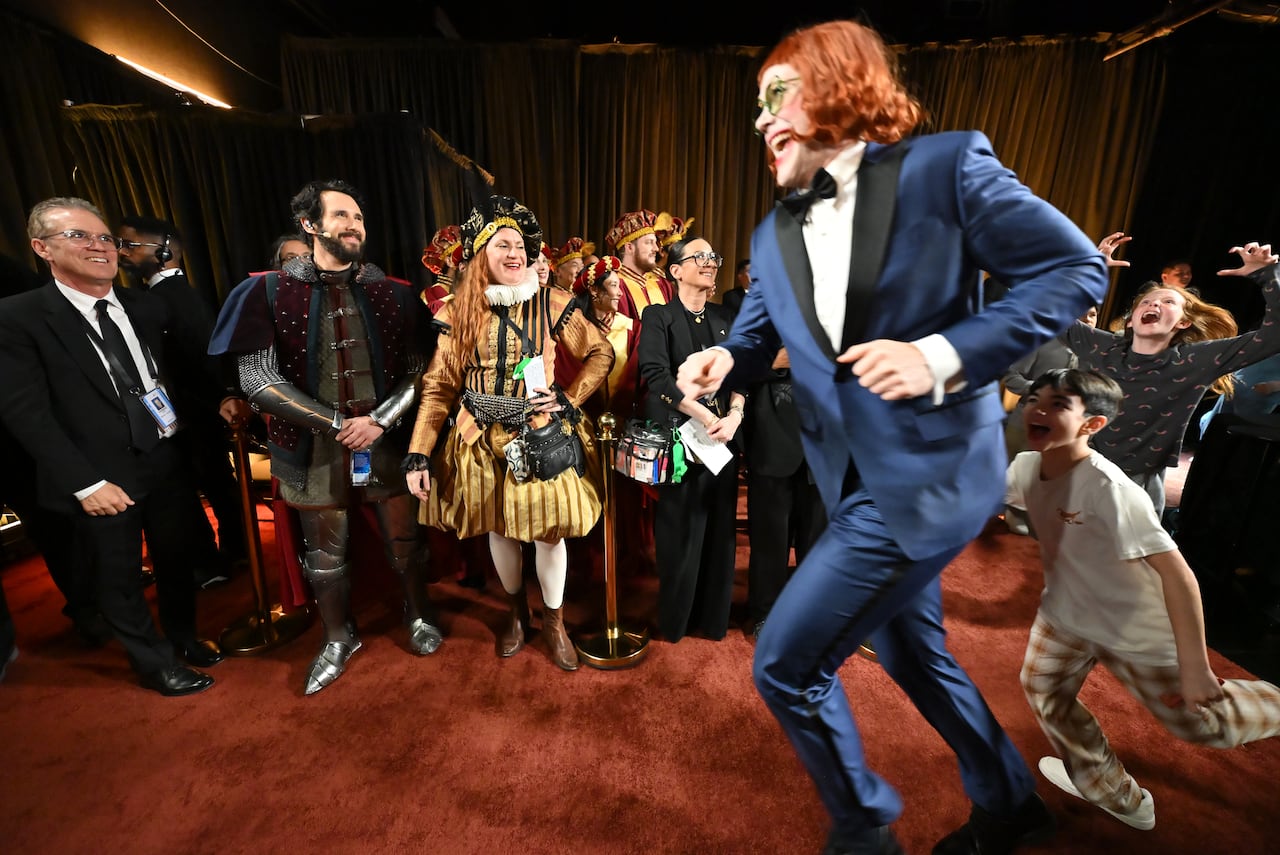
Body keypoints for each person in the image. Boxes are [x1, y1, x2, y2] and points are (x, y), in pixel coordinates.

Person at [675, 20, 1108, 855]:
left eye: (777, 95)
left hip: (934, 474)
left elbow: (1075, 268)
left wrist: (940, 353)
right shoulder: (771, 233)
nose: (761, 118)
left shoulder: (946, 167)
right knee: (913, 654)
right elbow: (756, 336)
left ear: (838, 90)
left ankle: (863, 830)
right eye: (756, 105)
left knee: (786, 664)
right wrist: (722, 358)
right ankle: (1009, 801)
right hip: (851, 481)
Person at [1007, 368, 1280, 831]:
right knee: (1045, 690)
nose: (1038, 410)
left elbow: (1178, 575)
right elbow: (991, 503)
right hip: (1064, 614)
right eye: (1035, 399)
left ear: (1093, 424)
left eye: (1058, 405)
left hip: (1133, 626)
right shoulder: (1023, 467)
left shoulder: (1110, 489)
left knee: (1202, 725)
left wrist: (1195, 666)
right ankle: (1114, 792)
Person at [210, 179, 444, 695]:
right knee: (323, 556)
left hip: (387, 439)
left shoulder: (395, 291)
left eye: (358, 217)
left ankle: (419, 613)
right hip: (311, 446)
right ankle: (338, 636)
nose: (353, 225)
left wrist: (379, 420)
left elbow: (419, 369)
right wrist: (337, 424)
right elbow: (258, 378)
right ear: (310, 224)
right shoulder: (268, 291)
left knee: (406, 542)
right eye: (341, 215)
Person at [0, 197, 227, 696]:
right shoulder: (19, 317)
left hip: (164, 455)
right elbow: (25, 413)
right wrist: (84, 483)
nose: (99, 246)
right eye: (78, 236)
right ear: (42, 248)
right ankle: (153, 663)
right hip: (98, 474)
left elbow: (170, 376)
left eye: (105, 237)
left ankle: (183, 636)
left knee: (177, 557)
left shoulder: (146, 306)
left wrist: (219, 404)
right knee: (118, 576)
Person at [403, 195, 613, 671]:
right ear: (481, 254)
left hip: (540, 434)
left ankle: (554, 623)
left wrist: (568, 398)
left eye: (519, 245)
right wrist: (419, 452)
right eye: (502, 245)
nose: (514, 253)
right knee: (499, 528)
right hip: (477, 437)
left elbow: (600, 352)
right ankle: (517, 613)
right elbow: (439, 385)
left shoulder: (552, 302)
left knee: (549, 533)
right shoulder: (457, 310)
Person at [1072, 236, 1280, 515]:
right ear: (1132, 319)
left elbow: (1274, 336)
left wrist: (1267, 275)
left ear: (1184, 322)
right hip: (1081, 467)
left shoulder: (1195, 360)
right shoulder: (1102, 346)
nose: (1154, 305)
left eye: (1168, 301)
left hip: (1138, 483)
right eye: (1146, 302)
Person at [118, 214, 251, 583]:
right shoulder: (166, 295)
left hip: (194, 414)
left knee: (210, 485)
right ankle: (233, 555)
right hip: (193, 412)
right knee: (216, 484)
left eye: (130, 244)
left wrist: (215, 402)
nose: (122, 253)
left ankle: (217, 562)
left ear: (163, 250)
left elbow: (200, 361)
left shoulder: (170, 298)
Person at [637, 236, 745, 642]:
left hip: (723, 440)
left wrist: (734, 415)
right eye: (700, 256)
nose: (710, 262)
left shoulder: (726, 317)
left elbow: (742, 373)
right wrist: (705, 415)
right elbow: (656, 376)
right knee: (679, 532)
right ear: (676, 270)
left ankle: (714, 620)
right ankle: (677, 621)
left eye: (714, 256)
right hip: (679, 440)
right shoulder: (659, 316)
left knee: (720, 532)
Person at [1001, 305, 1097, 462]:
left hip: (1064, 433)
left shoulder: (1097, 352)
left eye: (1092, 315)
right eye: (1081, 314)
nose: (1087, 319)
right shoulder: (1042, 341)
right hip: (1025, 425)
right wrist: (1042, 391)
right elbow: (1011, 376)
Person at [607, 208, 672, 321]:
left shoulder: (663, 285)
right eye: (649, 242)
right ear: (629, 247)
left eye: (655, 242)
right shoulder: (614, 286)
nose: (656, 249)